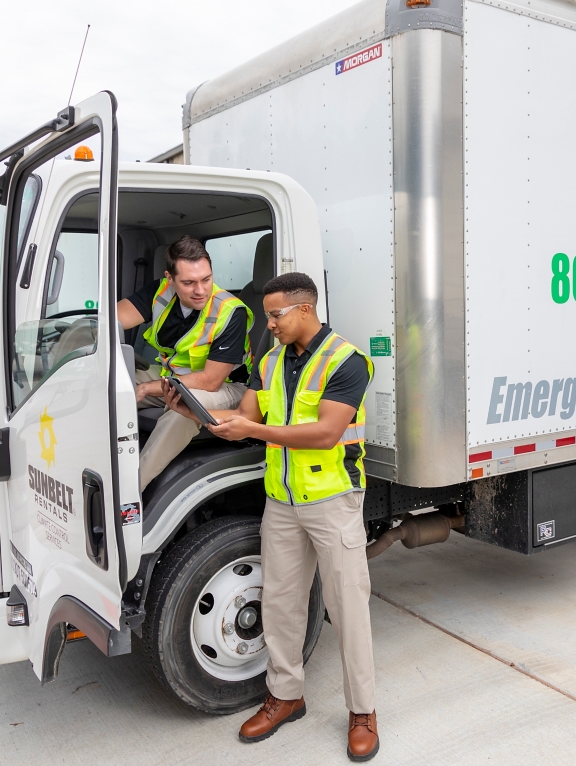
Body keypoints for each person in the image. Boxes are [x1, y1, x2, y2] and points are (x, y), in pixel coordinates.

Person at [161, 271, 379, 761]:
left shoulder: (348, 361)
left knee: (348, 609)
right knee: (280, 604)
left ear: (305, 309)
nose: (270, 324)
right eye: (267, 316)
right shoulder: (270, 360)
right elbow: (245, 418)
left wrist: (254, 430)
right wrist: (196, 413)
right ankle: (286, 695)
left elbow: (325, 433)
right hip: (281, 501)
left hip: (332, 501)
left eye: (277, 315)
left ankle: (362, 711)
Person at [117, 236, 253, 490]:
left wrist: (147, 388)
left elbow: (210, 381)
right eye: (189, 283)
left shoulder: (231, 312)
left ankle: (130, 489)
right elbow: (111, 322)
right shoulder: (160, 292)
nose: (200, 290)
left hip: (225, 387)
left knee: (186, 410)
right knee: (110, 384)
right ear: (170, 278)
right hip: (175, 375)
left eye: (206, 279)